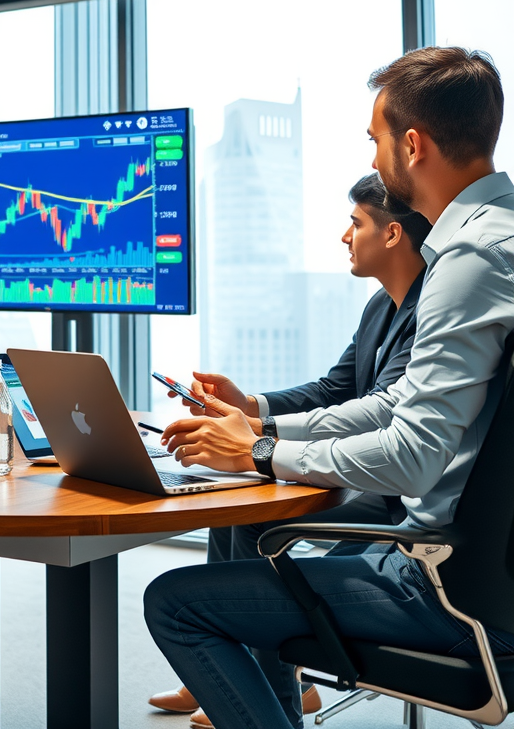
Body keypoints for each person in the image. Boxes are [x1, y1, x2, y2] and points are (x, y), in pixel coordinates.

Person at [144, 46, 514, 729]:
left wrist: (259, 453)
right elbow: (390, 402)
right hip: (480, 570)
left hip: (442, 585)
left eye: (375, 139)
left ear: (412, 145)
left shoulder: (469, 259)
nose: (373, 156)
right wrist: (261, 428)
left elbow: (411, 455)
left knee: (174, 602)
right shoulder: (499, 238)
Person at [148, 173, 431, 726]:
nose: (344, 236)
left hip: (393, 492)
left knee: (256, 516)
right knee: (236, 507)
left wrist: (259, 436)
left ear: (393, 233)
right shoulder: (381, 306)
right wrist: (249, 404)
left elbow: (379, 411)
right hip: (375, 482)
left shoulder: (431, 314)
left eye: (355, 223)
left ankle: (273, 690)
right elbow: (333, 389)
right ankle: (238, 670)